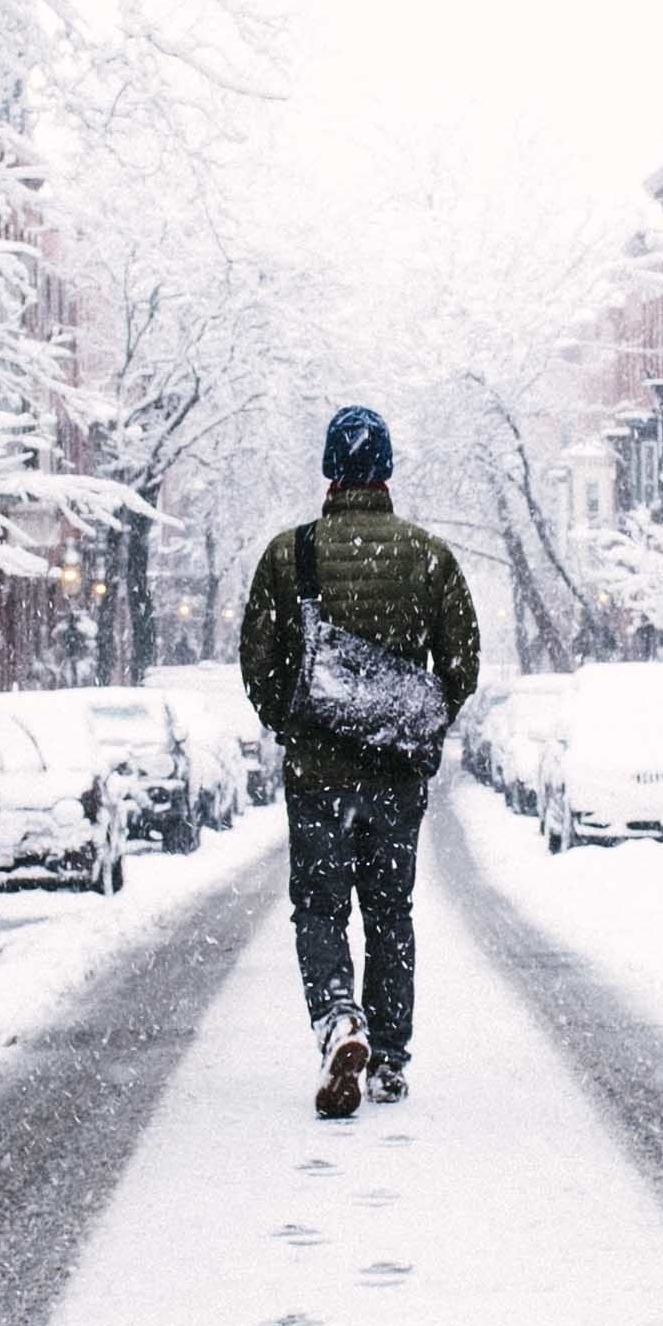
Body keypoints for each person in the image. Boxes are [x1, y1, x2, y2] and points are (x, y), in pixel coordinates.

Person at [239, 404, 484, 1119]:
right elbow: (461, 662)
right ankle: (389, 1059)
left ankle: (336, 1018)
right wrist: (416, 724)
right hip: (395, 778)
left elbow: (257, 660)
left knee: (318, 909)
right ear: (385, 471)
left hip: (316, 774)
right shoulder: (428, 556)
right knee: (388, 913)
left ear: (329, 471)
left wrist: (292, 723)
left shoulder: (292, 555)